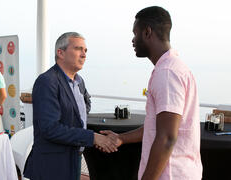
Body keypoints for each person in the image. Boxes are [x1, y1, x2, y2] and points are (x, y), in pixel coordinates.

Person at [101, 6, 203, 180]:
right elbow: (156, 127)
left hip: (171, 175)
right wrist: (121, 138)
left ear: (147, 32)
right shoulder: (173, 68)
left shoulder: (167, 73)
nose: (133, 40)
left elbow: (167, 138)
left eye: (135, 33)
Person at [23, 32, 118, 180]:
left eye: (85, 50)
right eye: (78, 49)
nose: (84, 54)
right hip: (52, 165)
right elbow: (50, 129)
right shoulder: (47, 82)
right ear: (60, 53)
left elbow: (85, 105)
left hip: (74, 158)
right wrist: (93, 137)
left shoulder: (79, 81)